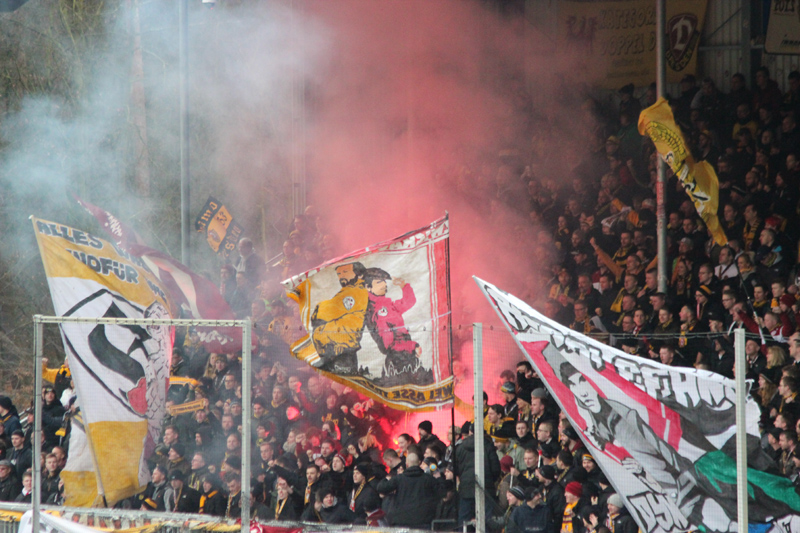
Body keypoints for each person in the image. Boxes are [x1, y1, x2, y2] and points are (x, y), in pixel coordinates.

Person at [363, 267, 433, 385]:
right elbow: (389, 344)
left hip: (405, 355)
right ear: (368, 287)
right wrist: (411, 346)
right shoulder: (377, 311)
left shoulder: (387, 305)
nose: (384, 285)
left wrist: (404, 286)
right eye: (379, 282)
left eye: (384, 281)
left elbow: (408, 302)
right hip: (399, 360)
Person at [310, 262, 369, 375]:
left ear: (359, 275)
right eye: (339, 274)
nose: (341, 276)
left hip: (341, 348)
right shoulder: (351, 290)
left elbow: (328, 311)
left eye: (345, 272)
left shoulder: (354, 291)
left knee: (343, 379)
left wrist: (317, 310)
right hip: (338, 347)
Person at [376, 451, 443, 528]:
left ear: (406, 464)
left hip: (401, 522)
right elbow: (442, 492)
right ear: (419, 463)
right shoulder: (428, 479)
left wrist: (386, 478)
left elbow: (381, 488)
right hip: (423, 522)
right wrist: (439, 478)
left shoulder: (399, 479)